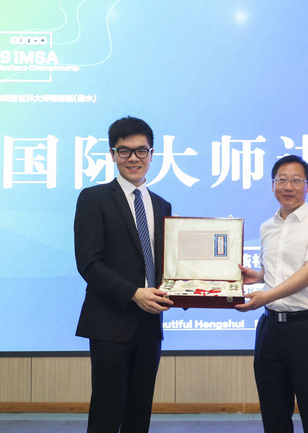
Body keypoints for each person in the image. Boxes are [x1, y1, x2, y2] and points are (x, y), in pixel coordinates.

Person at [74, 116, 173, 433]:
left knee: (139, 414)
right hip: (109, 323)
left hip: (150, 325)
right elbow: (89, 263)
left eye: (141, 151)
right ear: (113, 154)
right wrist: (134, 293)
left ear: (151, 154)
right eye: (124, 151)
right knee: (106, 414)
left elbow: (167, 266)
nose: (133, 158)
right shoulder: (94, 199)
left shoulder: (162, 206)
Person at [236, 155, 308, 433]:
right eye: (282, 180)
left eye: (296, 180)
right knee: (274, 418)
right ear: (273, 185)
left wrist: (266, 295)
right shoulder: (267, 227)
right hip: (270, 330)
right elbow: (280, 269)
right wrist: (258, 276)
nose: (288, 187)